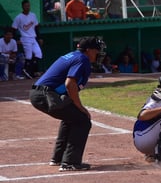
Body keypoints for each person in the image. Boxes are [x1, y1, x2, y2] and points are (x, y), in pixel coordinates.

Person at [29, 37, 106, 171]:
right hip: (47, 95)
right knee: (82, 120)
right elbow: (70, 84)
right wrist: (80, 107)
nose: (98, 53)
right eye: (96, 50)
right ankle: (70, 162)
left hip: (42, 94)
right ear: (88, 50)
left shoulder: (74, 55)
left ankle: (58, 158)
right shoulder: (82, 59)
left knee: (71, 117)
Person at [12, 0, 43, 79]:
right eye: (26, 6)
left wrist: (39, 38)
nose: (28, 7)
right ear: (22, 7)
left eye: (29, 6)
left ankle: (29, 70)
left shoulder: (33, 15)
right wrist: (16, 39)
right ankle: (28, 71)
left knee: (38, 54)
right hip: (25, 38)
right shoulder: (18, 17)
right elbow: (13, 29)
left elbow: (36, 27)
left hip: (33, 37)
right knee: (28, 56)